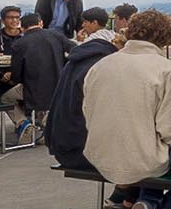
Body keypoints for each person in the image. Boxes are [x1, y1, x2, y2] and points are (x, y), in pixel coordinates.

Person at [83, 9, 171, 209]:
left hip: (99, 154)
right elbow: (168, 128)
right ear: (165, 36)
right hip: (143, 160)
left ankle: (139, 208)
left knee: (146, 159)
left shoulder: (100, 66)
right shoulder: (168, 70)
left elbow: (87, 110)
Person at [47, 16, 123, 174]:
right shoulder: (103, 66)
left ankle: (126, 195)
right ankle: (131, 196)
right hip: (85, 152)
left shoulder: (76, 62)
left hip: (63, 146)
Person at [5, 11, 67, 135]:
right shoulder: (56, 35)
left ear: (22, 27)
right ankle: (45, 124)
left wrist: (10, 78)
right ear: (40, 23)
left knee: (6, 98)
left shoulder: (19, 44)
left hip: (33, 88)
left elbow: (16, 75)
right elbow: (74, 49)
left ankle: (23, 123)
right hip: (59, 84)